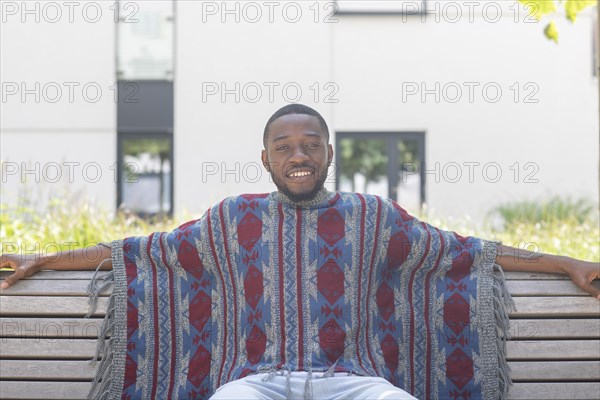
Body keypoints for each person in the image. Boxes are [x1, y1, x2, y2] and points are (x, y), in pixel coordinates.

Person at [1, 104, 599, 400]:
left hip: (354, 381)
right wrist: (44, 260)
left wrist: (567, 263)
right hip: (255, 383)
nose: (298, 155)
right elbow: (138, 251)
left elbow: (469, 252)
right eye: (284, 146)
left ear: (328, 154)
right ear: (266, 159)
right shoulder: (232, 219)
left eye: (310, 144)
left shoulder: (372, 216)